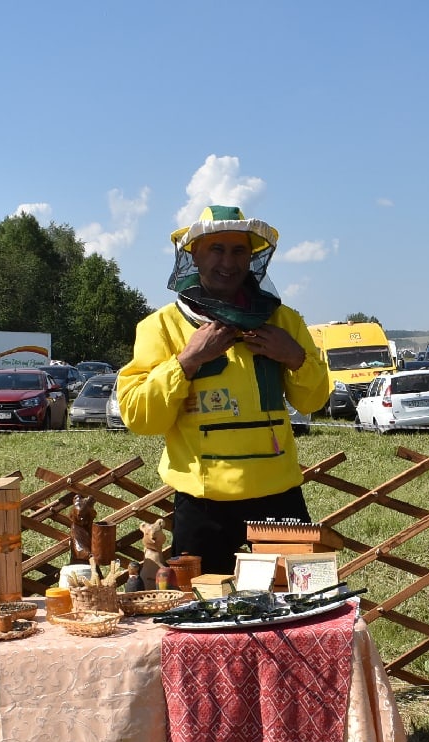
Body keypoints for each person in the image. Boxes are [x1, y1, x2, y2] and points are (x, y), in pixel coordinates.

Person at [116, 205, 330, 575]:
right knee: (202, 614)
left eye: (238, 250)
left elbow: (314, 399)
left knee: (297, 607)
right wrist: (186, 361)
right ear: (194, 255)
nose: (228, 261)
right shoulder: (161, 327)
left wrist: (294, 357)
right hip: (203, 506)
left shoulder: (285, 321)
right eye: (216, 249)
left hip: (279, 497)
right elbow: (139, 416)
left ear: (252, 257)